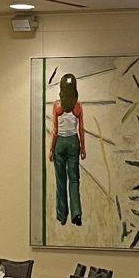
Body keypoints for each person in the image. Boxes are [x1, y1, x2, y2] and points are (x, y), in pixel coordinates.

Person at [48, 72, 85, 228]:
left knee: (61, 180)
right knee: (74, 179)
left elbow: (55, 130)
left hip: (60, 143)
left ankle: (62, 215)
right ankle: (76, 213)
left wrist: (51, 149)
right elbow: (81, 129)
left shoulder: (57, 106)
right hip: (73, 143)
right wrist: (83, 148)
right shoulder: (78, 106)